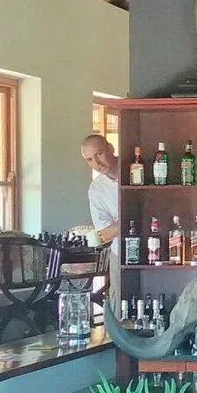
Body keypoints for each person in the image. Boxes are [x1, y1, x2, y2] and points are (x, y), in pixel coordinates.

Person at [81, 134, 120, 314]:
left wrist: (118, 225)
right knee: (120, 303)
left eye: (100, 154)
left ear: (111, 149)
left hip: (157, 245)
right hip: (120, 252)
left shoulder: (137, 168)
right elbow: (104, 233)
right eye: (90, 159)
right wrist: (131, 220)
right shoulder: (96, 189)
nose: (97, 163)